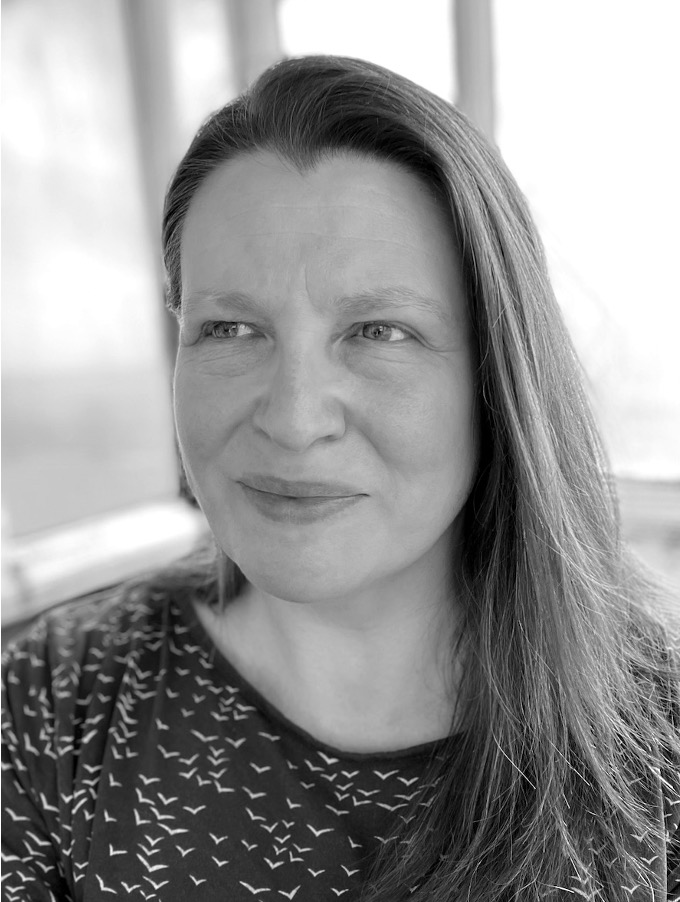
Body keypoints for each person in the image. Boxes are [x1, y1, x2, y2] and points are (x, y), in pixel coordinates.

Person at [2, 55, 678, 902]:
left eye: (379, 331)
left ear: (497, 378)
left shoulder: (658, 724)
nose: (292, 418)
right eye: (231, 328)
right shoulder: (53, 704)